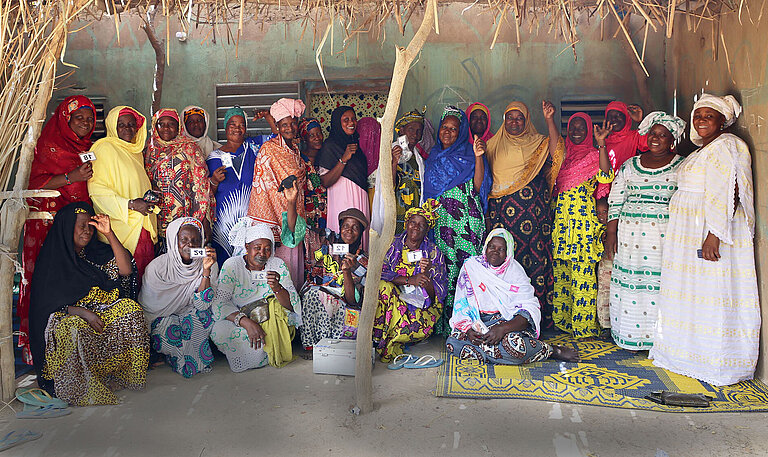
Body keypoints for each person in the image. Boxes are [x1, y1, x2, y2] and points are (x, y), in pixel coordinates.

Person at [650, 95, 760, 386]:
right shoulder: (705, 148)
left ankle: (716, 361)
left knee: (714, 291)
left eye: (708, 116)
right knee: (694, 292)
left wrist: (714, 235)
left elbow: (729, 192)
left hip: (710, 231)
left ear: (722, 121)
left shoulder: (728, 146)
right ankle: (690, 354)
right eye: (698, 116)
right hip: (691, 230)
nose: (700, 121)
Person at [29, 202, 148, 405]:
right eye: (81, 226)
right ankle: (77, 384)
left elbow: (125, 271)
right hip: (69, 317)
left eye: (90, 226)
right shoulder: (53, 259)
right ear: (67, 227)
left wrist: (109, 234)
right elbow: (45, 306)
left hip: (100, 311)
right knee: (71, 327)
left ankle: (113, 375)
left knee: (131, 311)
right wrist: (83, 313)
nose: (88, 231)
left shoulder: (95, 253)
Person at [18, 96, 96, 365]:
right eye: (79, 118)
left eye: (89, 119)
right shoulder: (47, 145)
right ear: (66, 118)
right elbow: (33, 185)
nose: (85, 124)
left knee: (67, 283)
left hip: (74, 230)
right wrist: (70, 178)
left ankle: (64, 350)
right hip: (46, 224)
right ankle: (38, 349)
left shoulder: (87, 148)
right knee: (43, 283)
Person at [604, 112, 686, 350]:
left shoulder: (682, 165)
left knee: (659, 284)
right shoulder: (630, 165)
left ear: (672, 140)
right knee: (631, 285)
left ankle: (658, 340)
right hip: (630, 239)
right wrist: (611, 234)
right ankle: (629, 334)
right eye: (653, 134)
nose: (656, 139)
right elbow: (616, 199)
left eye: (663, 135)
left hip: (663, 238)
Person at [446, 228, 580, 364]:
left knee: (514, 346)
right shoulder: (472, 266)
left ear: (508, 252)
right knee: (453, 341)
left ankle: (550, 350)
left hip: (506, 323)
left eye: (501, 249)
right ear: (486, 247)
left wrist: (501, 329)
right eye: (491, 246)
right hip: (478, 323)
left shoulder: (515, 271)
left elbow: (528, 311)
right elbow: (461, 303)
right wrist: (468, 330)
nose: (495, 251)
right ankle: (500, 354)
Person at [485, 100, 565, 326]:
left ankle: (534, 318)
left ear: (527, 120)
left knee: (534, 263)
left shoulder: (538, 142)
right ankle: (503, 316)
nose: (515, 122)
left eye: (520, 117)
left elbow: (558, 154)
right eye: (510, 117)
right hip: (505, 216)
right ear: (504, 120)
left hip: (535, 216)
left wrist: (550, 119)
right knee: (506, 261)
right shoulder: (493, 145)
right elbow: (484, 181)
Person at [424, 106, 492, 337]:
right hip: (441, 224)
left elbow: (477, 185)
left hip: (465, 223)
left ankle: (469, 326)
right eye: (445, 127)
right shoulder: (433, 156)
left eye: (454, 129)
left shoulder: (469, 152)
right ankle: (446, 326)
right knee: (444, 270)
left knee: (467, 273)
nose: (448, 132)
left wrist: (479, 156)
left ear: (461, 132)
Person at [281, 181, 368, 349]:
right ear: (340, 227)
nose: (349, 231)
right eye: (346, 226)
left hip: (342, 304)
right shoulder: (325, 239)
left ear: (361, 233)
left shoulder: (362, 260)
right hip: (315, 297)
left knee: (351, 313)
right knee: (315, 295)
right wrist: (291, 202)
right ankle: (313, 346)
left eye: (355, 228)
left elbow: (352, 300)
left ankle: (333, 348)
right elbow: (297, 229)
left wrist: (347, 272)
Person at [550, 113, 613, 339]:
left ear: (588, 131)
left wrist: (601, 144)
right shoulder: (563, 158)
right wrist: (549, 119)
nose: (576, 131)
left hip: (584, 226)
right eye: (573, 127)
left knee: (584, 277)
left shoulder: (594, 155)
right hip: (562, 226)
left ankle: (583, 328)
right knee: (563, 277)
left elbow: (605, 178)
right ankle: (564, 323)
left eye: (581, 128)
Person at [210, 221, 300, 371]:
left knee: (279, 325)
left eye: (267, 249)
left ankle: (264, 353)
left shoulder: (277, 265)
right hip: (240, 317)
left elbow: (291, 306)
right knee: (219, 332)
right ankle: (265, 354)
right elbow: (220, 303)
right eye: (257, 248)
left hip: (270, 321)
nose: (262, 254)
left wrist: (277, 288)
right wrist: (246, 322)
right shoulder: (232, 265)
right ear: (246, 248)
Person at [138, 217, 218, 377]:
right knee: (171, 333)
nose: (190, 245)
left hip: (193, 311)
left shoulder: (208, 263)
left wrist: (206, 271)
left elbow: (203, 305)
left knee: (197, 322)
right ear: (174, 241)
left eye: (196, 240)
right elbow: (152, 307)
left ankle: (183, 358)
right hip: (161, 316)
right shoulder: (157, 268)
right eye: (184, 240)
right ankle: (178, 356)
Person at [373, 200, 447, 362]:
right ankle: (379, 340)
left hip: (419, 303)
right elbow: (379, 273)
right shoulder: (392, 244)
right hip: (391, 298)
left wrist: (426, 277)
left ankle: (389, 341)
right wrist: (410, 280)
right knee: (382, 287)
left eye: (422, 225)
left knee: (411, 327)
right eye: (413, 222)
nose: (416, 227)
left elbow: (437, 296)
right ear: (406, 224)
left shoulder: (433, 253)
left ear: (427, 229)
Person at [594, 101, 646, 328]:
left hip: (632, 207)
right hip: (604, 206)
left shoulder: (634, 136)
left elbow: (655, 147)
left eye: (619, 115)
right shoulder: (597, 142)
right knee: (606, 261)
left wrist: (639, 122)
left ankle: (632, 318)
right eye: (610, 115)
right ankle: (606, 320)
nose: (614, 120)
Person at [88, 106, 157, 277]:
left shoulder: (136, 152)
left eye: (131, 124)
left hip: (142, 225)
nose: (128, 129)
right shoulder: (103, 148)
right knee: (124, 279)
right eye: (121, 125)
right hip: (120, 227)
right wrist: (131, 204)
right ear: (112, 126)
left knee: (144, 281)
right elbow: (96, 190)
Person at [248, 98, 307, 288]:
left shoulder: (295, 150)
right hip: (276, 222)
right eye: (284, 125)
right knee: (278, 275)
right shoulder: (269, 149)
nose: (289, 128)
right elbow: (265, 187)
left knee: (294, 275)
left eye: (292, 123)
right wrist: (275, 227)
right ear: (278, 127)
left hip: (294, 219)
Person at [207, 106, 275, 264]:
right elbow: (207, 193)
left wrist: (267, 116)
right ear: (225, 127)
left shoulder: (253, 146)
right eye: (232, 124)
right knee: (224, 259)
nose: (237, 128)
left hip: (251, 218)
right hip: (224, 220)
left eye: (241, 124)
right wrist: (214, 181)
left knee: (249, 260)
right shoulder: (214, 156)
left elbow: (277, 137)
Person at [145, 108, 213, 245]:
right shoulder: (148, 150)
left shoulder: (190, 148)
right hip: (158, 214)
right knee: (163, 254)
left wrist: (203, 218)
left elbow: (202, 183)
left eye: (171, 124)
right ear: (155, 126)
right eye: (161, 124)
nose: (166, 128)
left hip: (186, 212)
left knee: (186, 249)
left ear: (179, 127)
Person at [316, 106, 370, 246]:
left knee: (359, 234)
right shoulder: (330, 146)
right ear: (336, 123)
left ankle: (360, 264)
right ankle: (337, 265)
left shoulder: (357, 144)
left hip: (360, 195)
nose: (351, 122)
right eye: (346, 120)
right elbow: (325, 181)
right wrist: (344, 159)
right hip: (341, 196)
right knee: (343, 233)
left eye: (353, 119)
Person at [297, 117, 328, 280]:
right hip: (309, 219)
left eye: (319, 133)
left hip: (327, 218)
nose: (317, 138)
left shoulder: (327, 157)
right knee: (311, 259)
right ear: (304, 138)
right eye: (311, 135)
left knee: (328, 260)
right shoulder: (300, 161)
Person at [391, 109, 429, 233]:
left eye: (419, 131)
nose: (415, 134)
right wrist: (394, 162)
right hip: (396, 211)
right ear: (402, 130)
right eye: (411, 129)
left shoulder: (419, 159)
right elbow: (387, 186)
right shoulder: (392, 152)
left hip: (414, 215)